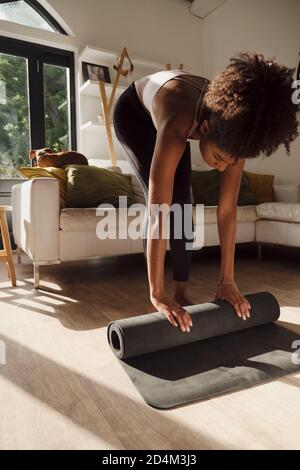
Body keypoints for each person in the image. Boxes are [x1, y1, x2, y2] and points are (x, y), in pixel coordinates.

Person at [112, 52, 299, 333]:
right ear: (206, 129)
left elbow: (227, 211)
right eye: (220, 158)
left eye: (231, 162)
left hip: (188, 113)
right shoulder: (179, 122)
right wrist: (156, 292)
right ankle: (161, 292)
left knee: (183, 201)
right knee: (167, 201)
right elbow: (157, 211)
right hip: (134, 113)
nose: (224, 168)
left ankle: (182, 290)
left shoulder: (237, 133)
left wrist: (227, 280)